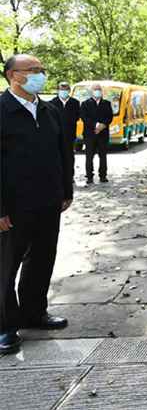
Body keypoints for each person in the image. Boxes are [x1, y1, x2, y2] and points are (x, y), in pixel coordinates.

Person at [1, 55, 73, 356]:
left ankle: (34, 313)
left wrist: (65, 190)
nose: (40, 75)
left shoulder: (50, 110)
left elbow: (63, 153)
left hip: (48, 201)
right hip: (13, 207)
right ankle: (5, 326)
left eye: (42, 70)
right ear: (12, 76)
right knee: (5, 266)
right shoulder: (2, 110)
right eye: (33, 71)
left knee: (42, 259)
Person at [79, 82, 114, 184]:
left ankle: (103, 176)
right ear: (92, 91)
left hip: (103, 134)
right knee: (89, 156)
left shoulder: (106, 103)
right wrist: (95, 125)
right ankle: (89, 176)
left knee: (103, 156)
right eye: (95, 89)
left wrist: (103, 125)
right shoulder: (85, 104)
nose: (97, 91)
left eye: (99, 89)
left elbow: (109, 117)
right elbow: (84, 117)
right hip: (89, 134)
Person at [48, 81, 81, 178]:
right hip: (56, 135)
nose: (64, 91)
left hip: (70, 135)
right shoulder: (52, 103)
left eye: (66, 89)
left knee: (69, 157)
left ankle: (70, 176)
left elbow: (77, 117)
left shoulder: (75, 103)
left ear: (69, 91)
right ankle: (58, 176)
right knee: (57, 156)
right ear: (58, 90)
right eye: (61, 89)